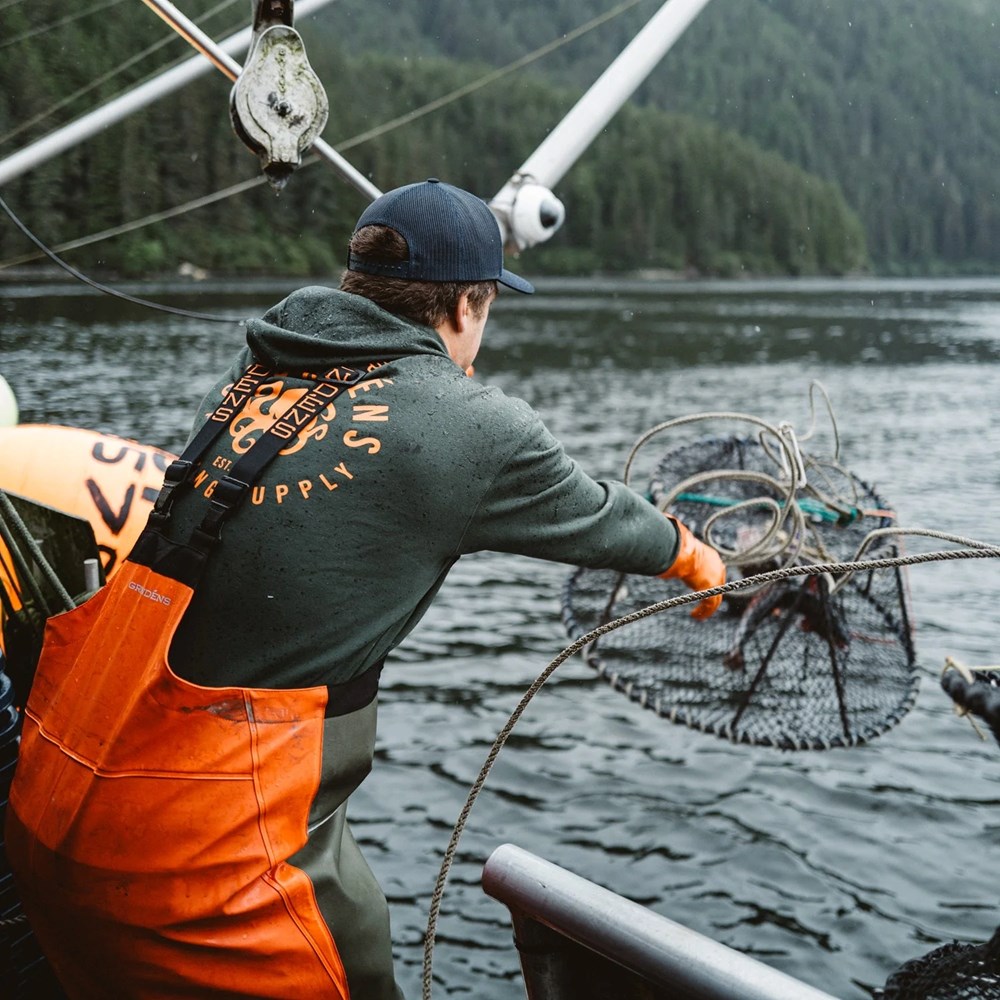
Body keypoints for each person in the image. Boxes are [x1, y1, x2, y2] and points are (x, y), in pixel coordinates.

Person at [6, 178, 725, 999]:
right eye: (487, 309)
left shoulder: (257, 370)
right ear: (468, 305)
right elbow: (604, 518)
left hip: (49, 802)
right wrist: (693, 559)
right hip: (200, 868)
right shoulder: (470, 424)